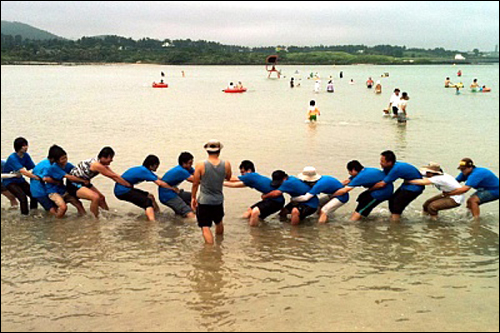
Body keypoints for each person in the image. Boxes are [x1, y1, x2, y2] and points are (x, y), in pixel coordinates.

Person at [69, 147, 131, 218]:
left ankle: (108, 216)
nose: (111, 160)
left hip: (84, 182)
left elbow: (115, 175)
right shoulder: (96, 165)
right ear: (104, 157)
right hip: (73, 183)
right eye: (110, 158)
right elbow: (112, 176)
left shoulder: (101, 164)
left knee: (101, 198)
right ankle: (94, 219)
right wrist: (128, 185)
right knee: (95, 198)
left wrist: (126, 182)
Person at [191, 140, 232, 245]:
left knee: (205, 226)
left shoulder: (200, 165)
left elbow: (195, 183)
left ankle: (210, 250)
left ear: (207, 151)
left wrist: (193, 198)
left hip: (204, 200)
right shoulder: (226, 164)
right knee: (219, 222)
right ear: (219, 151)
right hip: (218, 200)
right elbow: (228, 177)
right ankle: (219, 244)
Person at [115, 155, 177, 222]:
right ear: (151, 165)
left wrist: (171, 182)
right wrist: (172, 188)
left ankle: (158, 214)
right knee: (147, 201)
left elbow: (160, 179)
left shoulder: (145, 170)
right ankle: (152, 222)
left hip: (124, 189)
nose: (157, 167)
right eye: (156, 165)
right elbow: (159, 183)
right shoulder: (144, 171)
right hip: (122, 191)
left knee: (150, 196)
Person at [224, 160, 285, 227]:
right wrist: (218, 183)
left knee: (255, 212)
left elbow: (232, 179)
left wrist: (218, 177)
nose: (242, 175)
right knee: (249, 212)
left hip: (277, 201)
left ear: (249, 170)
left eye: (243, 172)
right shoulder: (251, 180)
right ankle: (238, 224)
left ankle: (254, 233)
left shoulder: (251, 176)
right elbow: (234, 185)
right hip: (271, 199)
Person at [371, 151, 425, 222]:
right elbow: (383, 177)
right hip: (406, 185)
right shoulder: (389, 167)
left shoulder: (396, 169)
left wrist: (370, 189)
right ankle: (396, 219)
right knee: (392, 200)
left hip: (415, 188)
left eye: (382, 161)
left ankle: (395, 224)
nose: (380, 163)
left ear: (389, 162)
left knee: (397, 203)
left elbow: (382, 184)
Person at [44, 146, 87, 218]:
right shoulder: (54, 167)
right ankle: (57, 223)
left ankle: (85, 219)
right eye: (62, 159)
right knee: (63, 207)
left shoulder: (67, 165)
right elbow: (68, 176)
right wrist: (83, 181)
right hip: (53, 192)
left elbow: (75, 171)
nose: (65, 160)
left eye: (65, 157)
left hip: (62, 189)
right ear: (57, 160)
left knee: (78, 203)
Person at [2, 137, 40, 215]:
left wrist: (41, 173)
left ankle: (34, 212)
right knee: (23, 197)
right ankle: (24, 216)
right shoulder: (12, 158)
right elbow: (23, 171)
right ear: (18, 147)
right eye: (23, 146)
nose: (26, 147)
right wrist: (35, 177)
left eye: (26, 145)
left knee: (33, 194)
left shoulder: (26, 156)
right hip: (9, 182)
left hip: (19, 179)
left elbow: (33, 168)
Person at [159, 152, 196, 219]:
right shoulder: (181, 171)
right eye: (190, 163)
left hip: (173, 191)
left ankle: (179, 218)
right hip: (167, 196)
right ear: (183, 163)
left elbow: (198, 175)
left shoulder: (188, 168)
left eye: (192, 163)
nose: (191, 165)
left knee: (191, 197)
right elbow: (195, 180)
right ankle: (194, 225)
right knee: (189, 212)